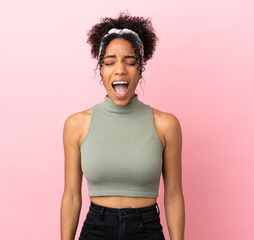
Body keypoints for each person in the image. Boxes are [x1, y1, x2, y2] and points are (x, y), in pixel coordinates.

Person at [61, 12, 185, 240]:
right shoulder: (76, 125)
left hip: (146, 229)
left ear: (140, 70)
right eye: (110, 62)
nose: (120, 70)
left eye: (130, 62)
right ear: (101, 70)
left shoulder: (166, 125)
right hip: (96, 228)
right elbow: (71, 196)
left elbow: (174, 195)